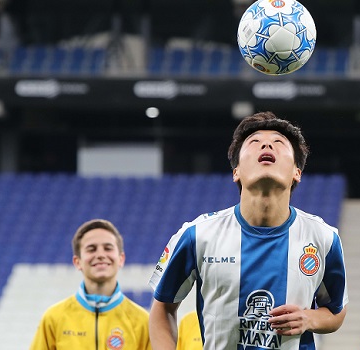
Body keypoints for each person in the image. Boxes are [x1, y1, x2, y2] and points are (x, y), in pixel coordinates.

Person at [149, 111, 348, 350]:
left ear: (297, 172)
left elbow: (336, 310)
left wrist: (309, 318)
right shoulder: (197, 234)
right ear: (237, 172)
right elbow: (163, 306)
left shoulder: (324, 238)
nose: (266, 144)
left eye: (279, 143)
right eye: (254, 142)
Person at [30, 219, 152, 350]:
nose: (100, 255)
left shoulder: (143, 321)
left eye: (108, 248)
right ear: (77, 262)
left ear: (121, 259)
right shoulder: (54, 318)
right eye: (91, 249)